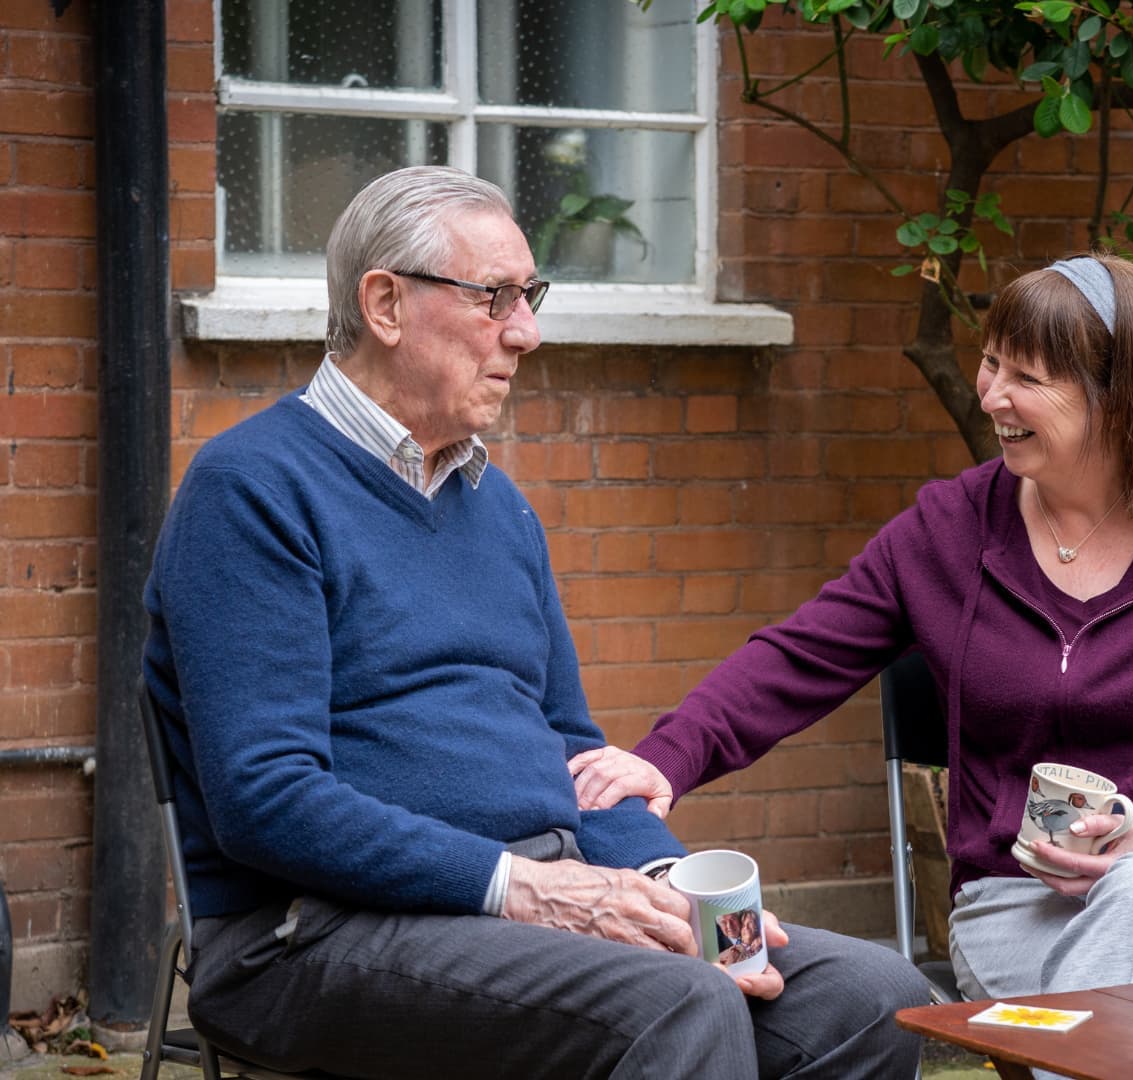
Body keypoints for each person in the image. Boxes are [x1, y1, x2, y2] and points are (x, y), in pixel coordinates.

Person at [143, 165, 926, 1080]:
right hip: (312, 929)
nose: (527, 331)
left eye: (530, 295)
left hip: (533, 900)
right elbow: (266, 800)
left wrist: (667, 887)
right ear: (386, 304)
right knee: (678, 1005)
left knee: (874, 995)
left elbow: (572, 752)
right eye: (496, 298)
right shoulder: (253, 490)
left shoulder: (498, 506)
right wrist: (526, 890)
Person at [572, 251, 1133, 1016]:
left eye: (1027, 379)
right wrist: (665, 760)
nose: (992, 395)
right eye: (990, 362)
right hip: (1016, 905)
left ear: (1121, 399)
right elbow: (801, 654)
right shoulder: (948, 532)